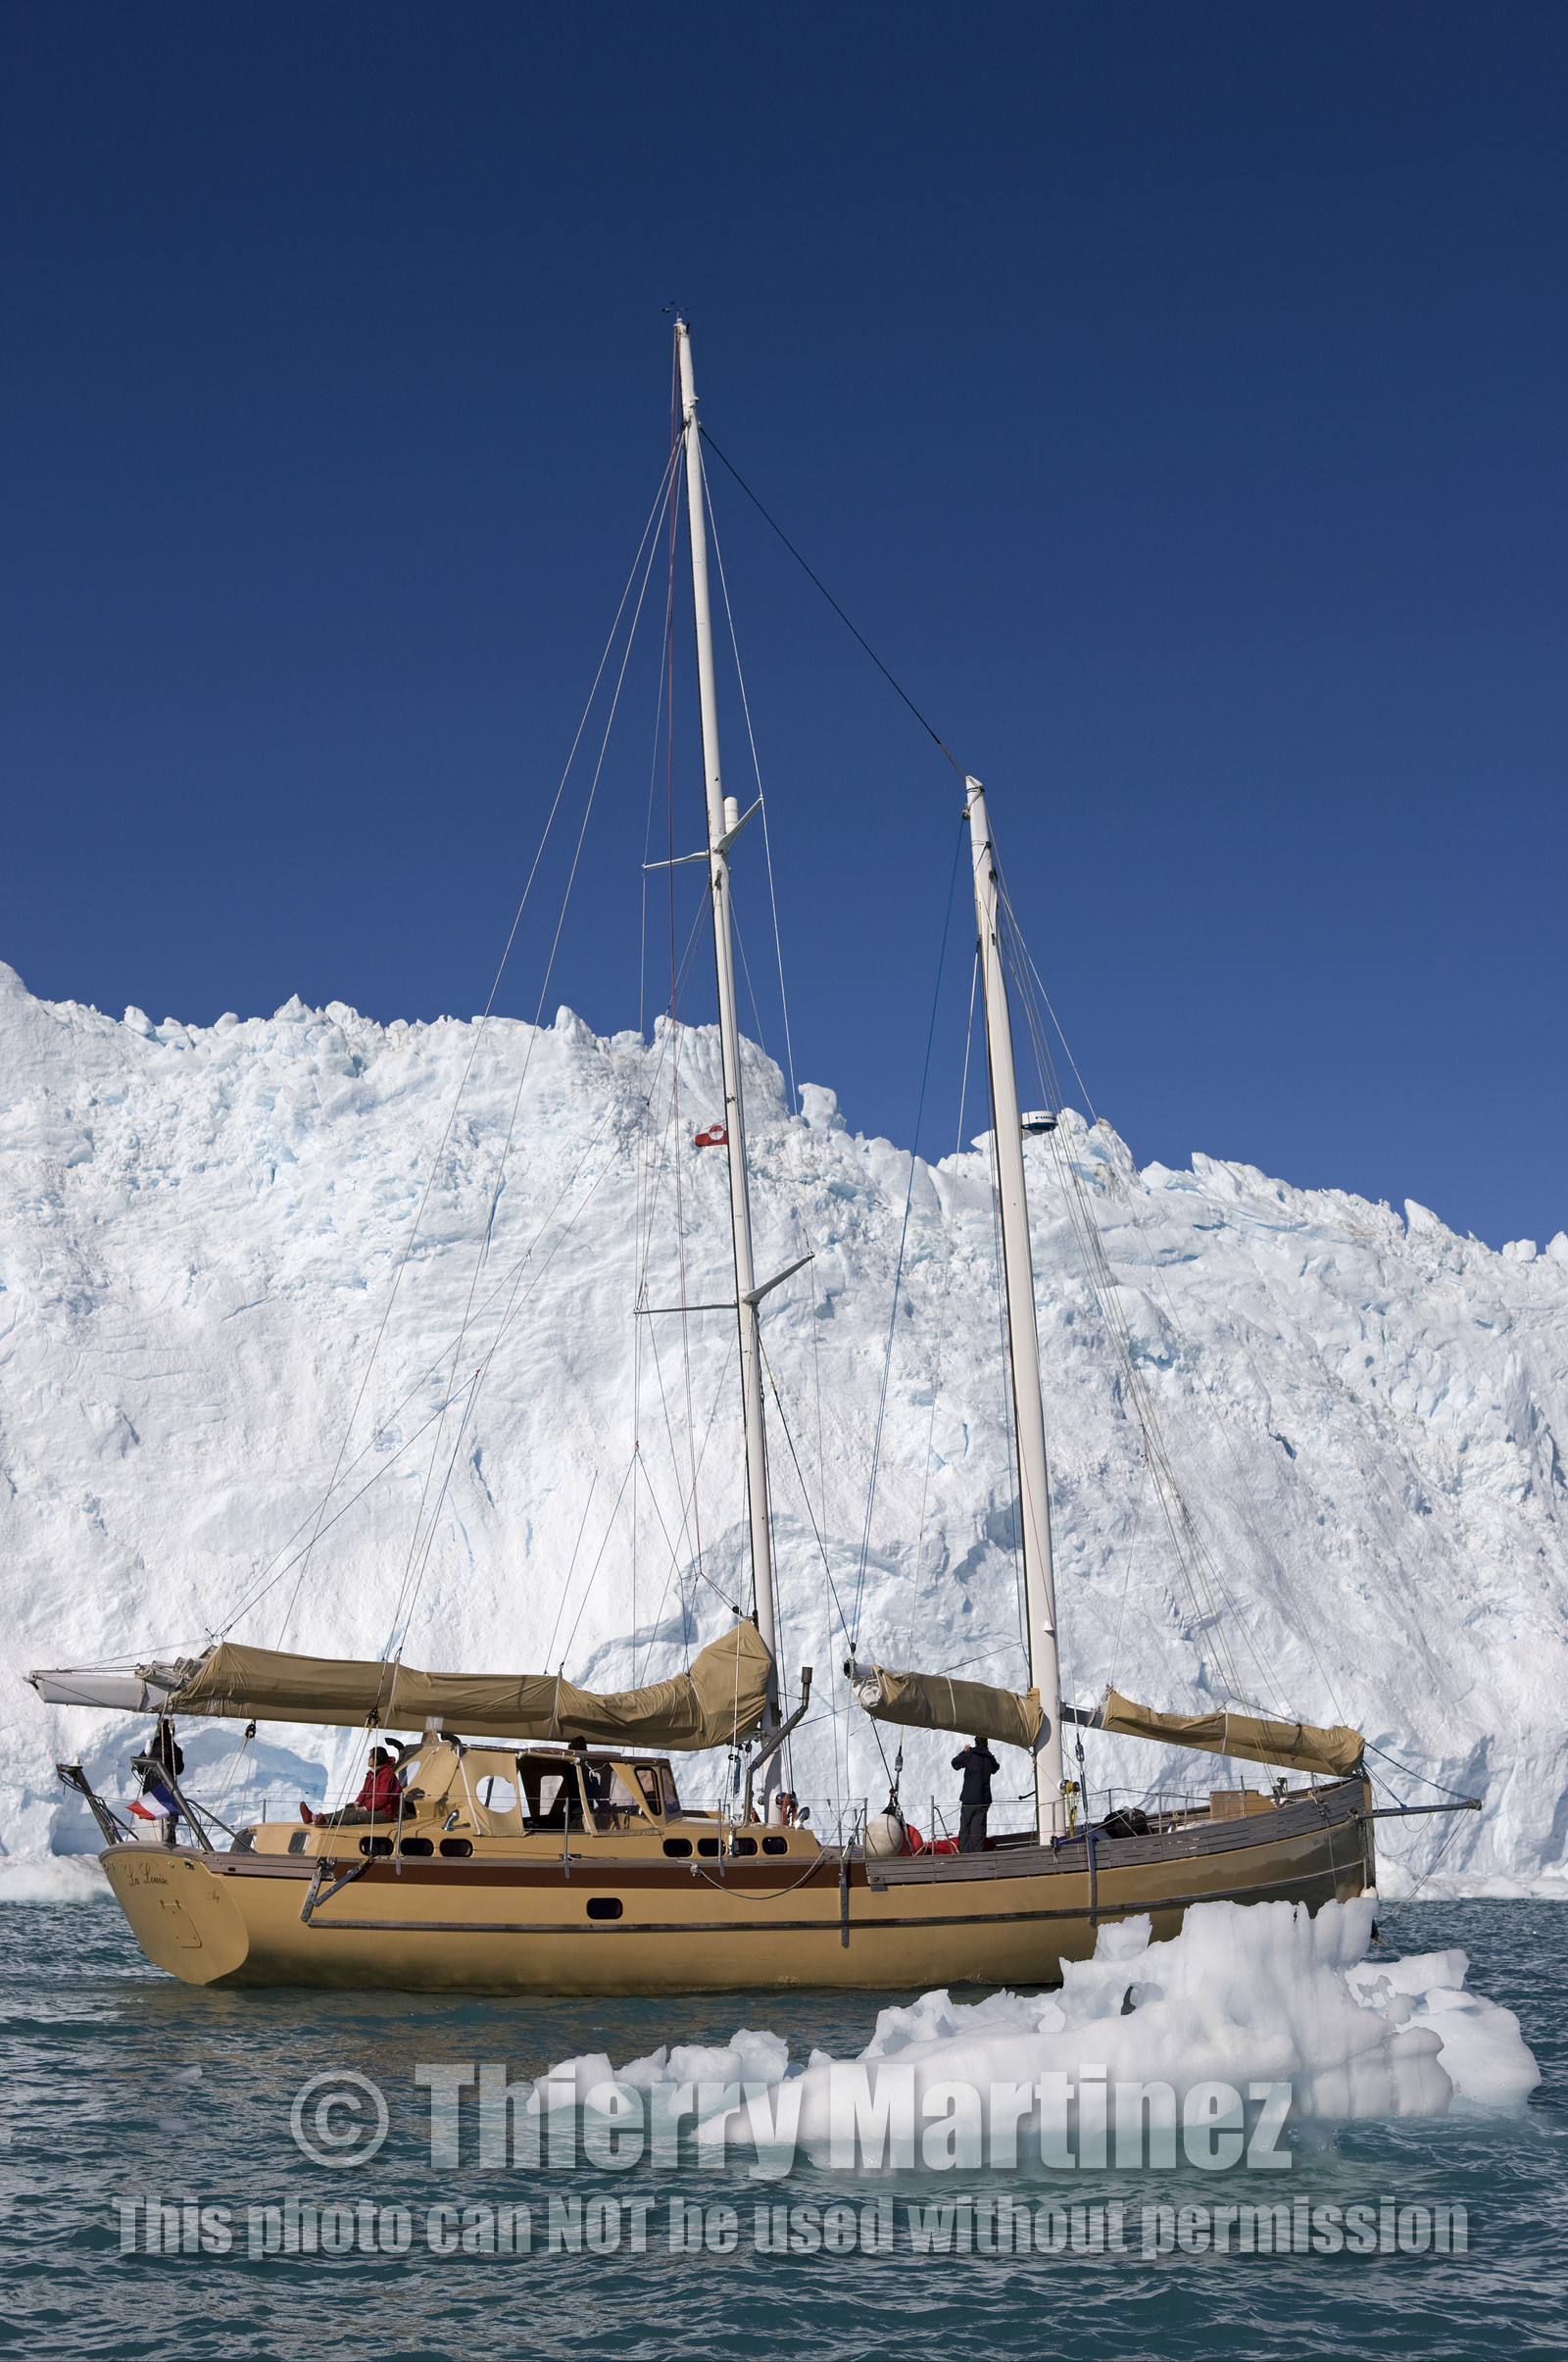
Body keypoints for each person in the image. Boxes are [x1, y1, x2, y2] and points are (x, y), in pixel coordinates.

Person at [301, 1747, 404, 1829]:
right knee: (343, 1812)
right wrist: (357, 1803)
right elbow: (364, 1791)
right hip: (372, 1807)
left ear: (377, 1759)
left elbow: (383, 1797)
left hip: (385, 1812)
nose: (368, 1759)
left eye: (371, 1757)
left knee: (356, 1816)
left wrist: (365, 1808)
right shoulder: (372, 1773)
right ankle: (314, 1818)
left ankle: (327, 1822)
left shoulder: (386, 1774)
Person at [131, 1718, 184, 1845]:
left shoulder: (150, 1748)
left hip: (149, 1794)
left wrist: (146, 1754)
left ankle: (148, 1847)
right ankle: (169, 1846)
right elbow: (179, 1769)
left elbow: (141, 1769)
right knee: (167, 1828)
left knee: (150, 1828)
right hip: (166, 1794)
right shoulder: (175, 1750)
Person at [952, 1735, 1000, 1852]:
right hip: (983, 1799)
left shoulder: (970, 1754)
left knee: (965, 1827)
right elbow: (995, 1768)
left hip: (969, 1798)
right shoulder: (989, 1757)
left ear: (975, 1742)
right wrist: (988, 1754)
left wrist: (963, 1752)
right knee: (978, 1828)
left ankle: (965, 1853)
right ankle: (977, 1853)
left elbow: (955, 1764)